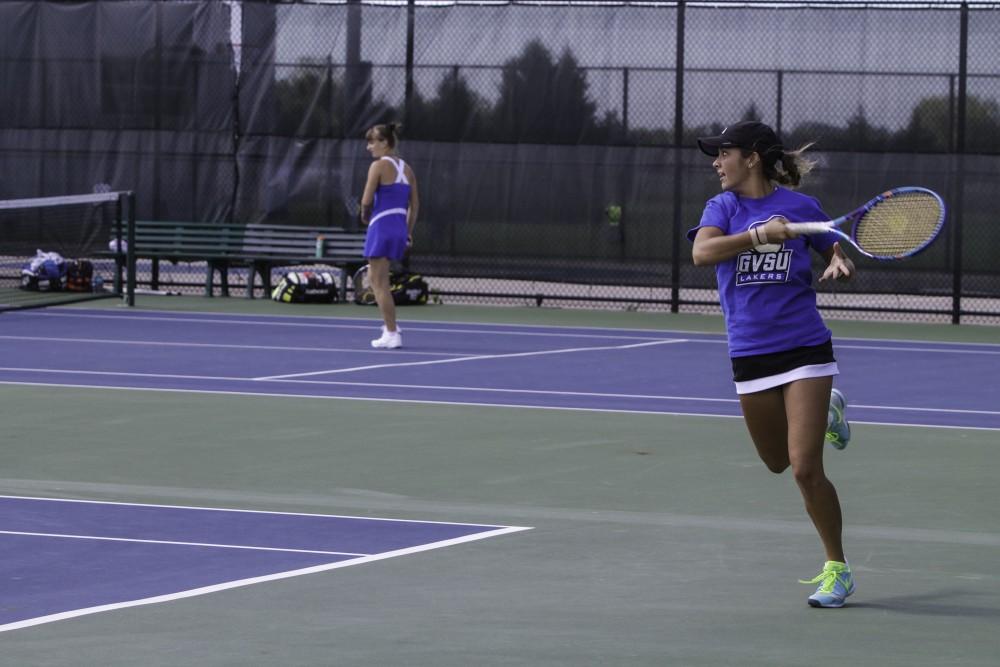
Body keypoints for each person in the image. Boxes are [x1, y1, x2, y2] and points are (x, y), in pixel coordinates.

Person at [688, 120, 856, 608]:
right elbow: (702, 252)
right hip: (750, 353)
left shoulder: (801, 208)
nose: (717, 163)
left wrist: (839, 262)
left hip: (804, 348)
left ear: (753, 157)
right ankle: (827, 413)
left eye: (724, 153)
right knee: (778, 462)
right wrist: (759, 234)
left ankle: (837, 569)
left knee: (806, 468)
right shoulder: (723, 207)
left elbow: (834, 248)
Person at [360, 122, 419, 349]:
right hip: (398, 228)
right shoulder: (408, 169)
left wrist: (365, 216)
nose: (369, 147)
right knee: (379, 279)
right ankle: (390, 325)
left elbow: (366, 200)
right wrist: (408, 231)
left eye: (372, 142)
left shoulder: (378, 166)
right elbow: (415, 205)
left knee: (378, 282)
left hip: (381, 225)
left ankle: (392, 332)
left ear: (385, 142)